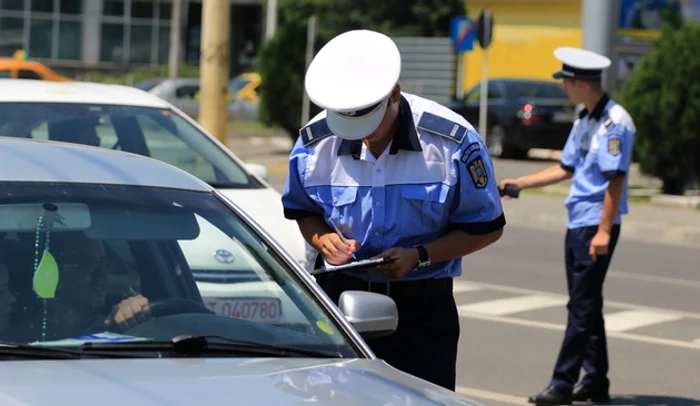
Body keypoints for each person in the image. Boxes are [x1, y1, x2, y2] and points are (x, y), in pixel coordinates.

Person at [281, 29, 506, 391]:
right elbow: (302, 210)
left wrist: (419, 256)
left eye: (369, 124)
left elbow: (487, 227)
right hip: (341, 302)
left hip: (422, 309)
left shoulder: (453, 143)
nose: (362, 137)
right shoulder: (315, 143)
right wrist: (323, 240)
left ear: (394, 96)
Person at [499, 47, 636, 405]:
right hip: (579, 221)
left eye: (566, 83)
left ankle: (562, 384)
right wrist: (520, 182)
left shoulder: (614, 122)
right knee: (587, 305)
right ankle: (595, 381)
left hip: (595, 224)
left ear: (580, 83)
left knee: (581, 307)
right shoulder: (585, 119)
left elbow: (615, 180)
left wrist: (605, 231)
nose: (563, 89)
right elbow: (567, 168)